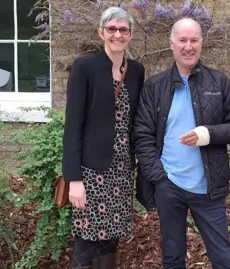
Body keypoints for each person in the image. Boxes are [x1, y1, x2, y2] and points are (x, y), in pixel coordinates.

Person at [133, 18, 230, 269]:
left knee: (223, 257)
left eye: (194, 40)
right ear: (171, 44)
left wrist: (207, 134)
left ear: (201, 44)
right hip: (169, 185)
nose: (188, 46)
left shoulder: (218, 82)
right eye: (182, 40)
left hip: (207, 186)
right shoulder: (155, 86)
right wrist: (159, 177)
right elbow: (142, 135)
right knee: (172, 256)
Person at [62, 7, 145, 269]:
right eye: (111, 29)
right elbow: (73, 125)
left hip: (121, 170)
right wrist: (73, 178)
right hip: (91, 172)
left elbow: (135, 120)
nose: (117, 34)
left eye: (123, 30)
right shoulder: (84, 67)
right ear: (101, 32)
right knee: (87, 239)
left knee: (111, 239)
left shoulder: (136, 71)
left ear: (130, 35)